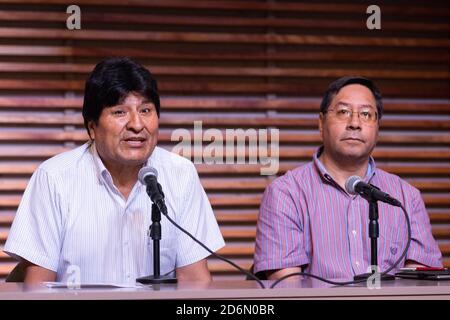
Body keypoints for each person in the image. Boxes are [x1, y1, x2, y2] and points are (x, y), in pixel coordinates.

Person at [4, 57, 225, 284]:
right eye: (120, 112)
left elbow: (195, 281)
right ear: (92, 127)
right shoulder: (54, 178)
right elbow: (38, 288)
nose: (137, 125)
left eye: (146, 110)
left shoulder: (181, 174)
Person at [253, 76, 442, 280]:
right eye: (343, 112)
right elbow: (287, 288)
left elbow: (422, 284)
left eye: (366, 114)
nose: (355, 123)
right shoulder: (286, 193)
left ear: (377, 128)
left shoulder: (406, 197)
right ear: (321, 122)